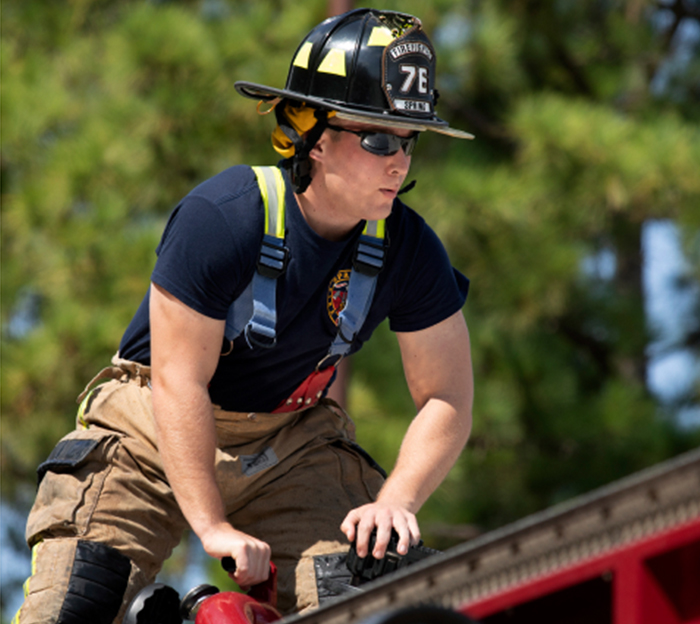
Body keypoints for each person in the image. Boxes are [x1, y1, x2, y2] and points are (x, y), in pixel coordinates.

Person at [15, 8, 474, 623]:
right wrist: (212, 525)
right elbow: (179, 382)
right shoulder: (224, 216)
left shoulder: (410, 249)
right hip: (149, 430)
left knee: (362, 596)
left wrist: (396, 503)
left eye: (409, 142)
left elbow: (446, 397)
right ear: (310, 130)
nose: (400, 162)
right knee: (74, 606)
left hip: (290, 445)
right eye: (378, 139)